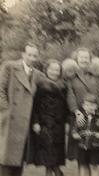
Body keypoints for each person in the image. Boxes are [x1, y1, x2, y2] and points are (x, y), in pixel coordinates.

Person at [0, 42, 55, 176]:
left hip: (25, 122)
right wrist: (6, 111)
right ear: (23, 54)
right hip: (10, 120)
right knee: (6, 161)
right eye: (29, 55)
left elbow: (51, 89)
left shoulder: (38, 75)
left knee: (19, 160)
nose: (32, 58)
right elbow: (0, 90)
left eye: (35, 56)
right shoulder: (10, 67)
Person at [67, 47, 99, 175]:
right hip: (79, 116)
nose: (84, 60)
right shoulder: (71, 75)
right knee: (81, 153)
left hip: (95, 117)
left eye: (86, 57)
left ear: (90, 59)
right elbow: (69, 94)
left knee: (93, 151)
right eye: (81, 57)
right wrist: (76, 111)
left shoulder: (97, 74)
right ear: (76, 59)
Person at [27, 59, 69, 176]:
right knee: (48, 155)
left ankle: (57, 172)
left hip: (59, 125)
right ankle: (56, 173)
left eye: (57, 70)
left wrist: (66, 122)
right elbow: (35, 105)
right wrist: (35, 122)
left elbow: (66, 106)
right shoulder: (40, 85)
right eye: (52, 69)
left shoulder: (64, 86)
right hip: (45, 124)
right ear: (46, 70)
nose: (54, 72)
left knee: (55, 156)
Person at [71, 93, 99, 176]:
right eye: (87, 105)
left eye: (92, 105)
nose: (89, 107)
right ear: (83, 106)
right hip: (82, 145)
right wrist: (76, 135)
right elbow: (74, 130)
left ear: (96, 106)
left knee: (94, 167)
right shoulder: (80, 118)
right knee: (82, 166)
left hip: (95, 146)